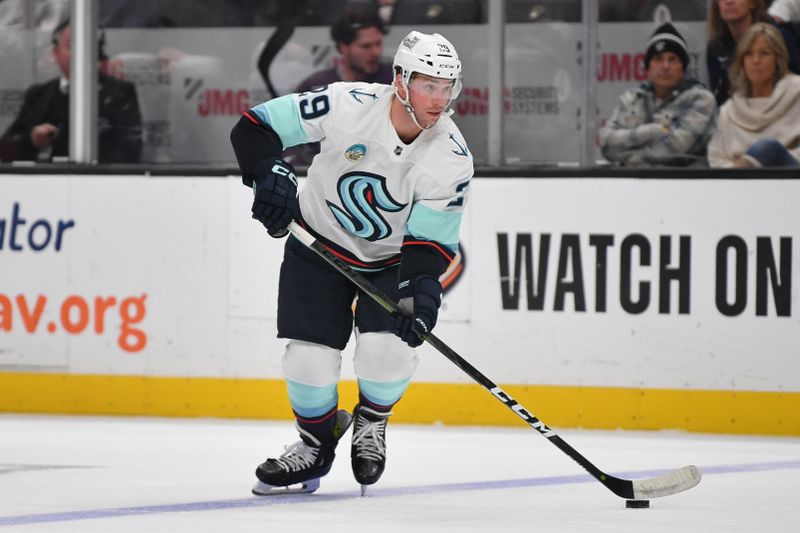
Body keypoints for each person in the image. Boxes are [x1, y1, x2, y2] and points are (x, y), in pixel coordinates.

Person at [230, 31, 473, 495]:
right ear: (401, 80)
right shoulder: (348, 104)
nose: (439, 99)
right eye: (429, 85)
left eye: (447, 87)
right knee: (308, 360)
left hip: (389, 261)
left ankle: (372, 420)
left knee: (388, 352)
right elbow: (255, 127)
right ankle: (314, 445)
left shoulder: (452, 157)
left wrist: (421, 290)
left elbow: (429, 246)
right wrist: (268, 172)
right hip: (317, 247)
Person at [0, 19, 143, 163]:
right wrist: (32, 140)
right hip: (44, 181)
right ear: (56, 52)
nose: (79, 53)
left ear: (98, 53)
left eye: (88, 46)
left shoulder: (119, 93)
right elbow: (6, 150)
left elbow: (131, 148)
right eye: (71, 45)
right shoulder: (38, 95)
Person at [599, 22, 718, 167]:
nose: (665, 66)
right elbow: (606, 143)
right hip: (632, 186)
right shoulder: (631, 99)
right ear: (648, 67)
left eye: (672, 59)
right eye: (658, 59)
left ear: (684, 68)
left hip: (685, 186)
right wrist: (653, 131)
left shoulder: (701, 99)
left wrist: (630, 159)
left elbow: (676, 148)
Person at [708, 22, 800, 167]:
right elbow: (716, 158)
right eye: (749, 54)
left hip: (790, 180)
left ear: (778, 59)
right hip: (739, 187)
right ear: (742, 60)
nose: (755, 61)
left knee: (768, 147)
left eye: (764, 53)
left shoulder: (797, 93)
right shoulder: (729, 111)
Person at [706, 0, 800, 105]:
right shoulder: (716, 47)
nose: (729, 1)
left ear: (752, 3)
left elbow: (794, 85)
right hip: (735, 115)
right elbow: (719, 97)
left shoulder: (780, 37)